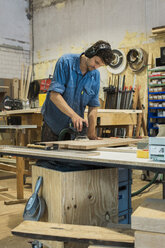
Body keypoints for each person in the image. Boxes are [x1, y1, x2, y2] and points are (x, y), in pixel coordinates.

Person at [41, 40, 113, 142]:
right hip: (53, 124)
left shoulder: (95, 75)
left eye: (100, 65)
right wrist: (74, 115)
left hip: (74, 128)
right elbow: (54, 95)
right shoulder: (65, 62)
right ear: (90, 52)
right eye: (96, 62)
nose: (96, 67)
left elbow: (93, 106)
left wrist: (91, 132)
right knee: (49, 157)